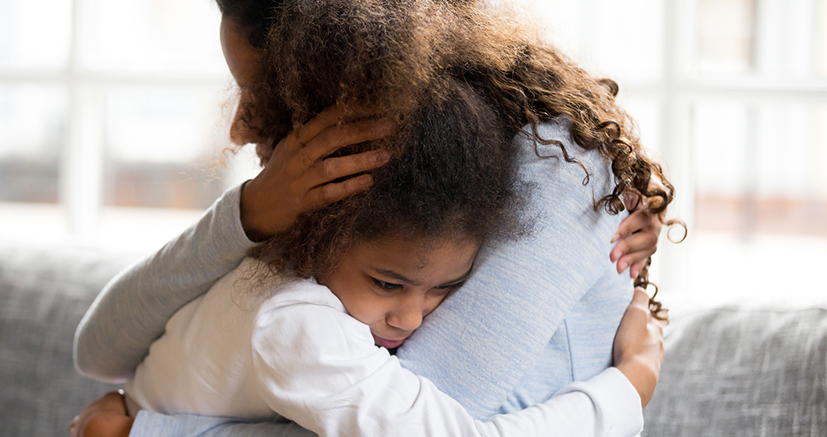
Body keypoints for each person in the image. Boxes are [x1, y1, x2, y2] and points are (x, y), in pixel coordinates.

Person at [72, 0, 672, 435]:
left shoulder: (557, 161)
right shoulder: (347, 198)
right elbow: (100, 350)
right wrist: (248, 213)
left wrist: (146, 433)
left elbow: (419, 420)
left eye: (262, 91)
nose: (240, 126)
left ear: (349, 63)